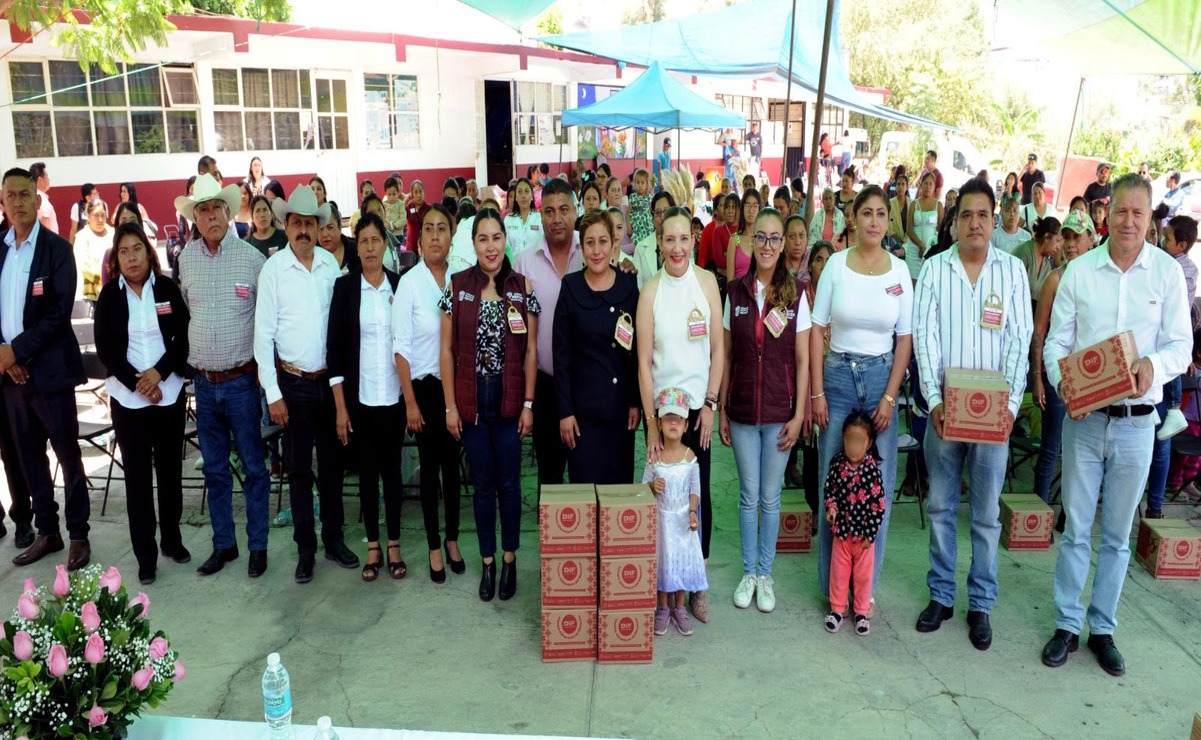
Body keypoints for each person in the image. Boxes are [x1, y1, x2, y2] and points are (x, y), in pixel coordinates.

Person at [1042, 174, 1191, 677]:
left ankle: (1101, 627)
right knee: (1077, 528)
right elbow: (1055, 346)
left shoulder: (1167, 275)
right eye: (1121, 212)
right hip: (1085, 422)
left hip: (1137, 423)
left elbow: (1181, 346)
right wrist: (1065, 388)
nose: (1128, 221)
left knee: (1118, 534)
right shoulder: (1080, 272)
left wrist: (1154, 366)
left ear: (1150, 219)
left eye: (1139, 213)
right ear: (1108, 215)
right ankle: (1066, 624)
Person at [912, 178, 1033, 650]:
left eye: (984, 214)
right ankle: (941, 595)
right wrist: (934, 401)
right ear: (955, 221)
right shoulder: (936, 269)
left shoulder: (1011, 272)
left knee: (985, 516)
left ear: (995, 217)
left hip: (992, 418)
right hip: (944, 414)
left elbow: (1019, 341)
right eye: (967, 215)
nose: (976, 223)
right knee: (941, 507)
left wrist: (1007, 406)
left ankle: (980, 603)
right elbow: (925, 337)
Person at [810, 184, 913, 612]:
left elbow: (904, 339)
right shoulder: (835, 265)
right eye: (866, 213)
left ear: (888, 221)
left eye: (880, 214)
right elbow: (817, 330)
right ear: (853, 219)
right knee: (831, 483)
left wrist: (889, 397)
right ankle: (832, 591)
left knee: (878, 487)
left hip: (879, 379)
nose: (873, 221)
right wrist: (816, 390)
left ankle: (863, 590)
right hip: (835, 376)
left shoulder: (899, 272)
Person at [256, 185, 359, 584]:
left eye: (309, 223)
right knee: (299, 471)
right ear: (287, 225)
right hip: (294, 385)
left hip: (328, 382)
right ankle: (305, 550)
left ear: (319, 228)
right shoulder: (273, 271)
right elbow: (262, 337)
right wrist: (273, 393)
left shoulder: (331, 268)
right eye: (296, 223)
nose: (303, 230)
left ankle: (333, 540)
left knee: (333, 467)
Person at [440, 208, 539, 602]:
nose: (490, 246)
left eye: (496, 237)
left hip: (510, 398)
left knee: (509, 485)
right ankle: (488, 561)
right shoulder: (457, 286)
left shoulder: (522, 287)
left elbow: (531, 350)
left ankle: (510, 557)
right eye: (482, 239)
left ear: (505, 240)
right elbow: (446, 352)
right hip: (472, 401)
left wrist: (529, 402)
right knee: (482, 487)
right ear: (473, 244)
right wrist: (450, 406)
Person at [176, 173, 270, 579]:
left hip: (242, 383)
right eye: (203, 209)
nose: (211, 215)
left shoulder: (253, 260)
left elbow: (266, 325)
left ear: (230, 212)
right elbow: (185, 314)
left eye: (217, 207)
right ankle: (223, 545)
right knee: (213, 469)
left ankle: (258, 545)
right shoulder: (185, 260)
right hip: (204, 383)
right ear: (194, 217)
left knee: (253, 468)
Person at [719, 207, 811, 614]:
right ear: (749, 242)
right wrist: (721, 408)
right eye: (762, 237)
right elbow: (724, 355)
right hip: (741, 410)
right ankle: (748, 573)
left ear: (785, 243)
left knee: (770, 499)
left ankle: (766, 573)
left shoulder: (797, 294)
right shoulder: (735, 293)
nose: (769, 245)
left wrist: (798, 414)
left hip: (778, 410)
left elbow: (804, 360)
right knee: (747, 496)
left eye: (776, 238)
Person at [636, 206, 723, 624]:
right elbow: (643, 361)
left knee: (696, 500)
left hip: (696, 412)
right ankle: (661, 587)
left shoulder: (706, 284)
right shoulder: (649, 291)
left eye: (683, 238)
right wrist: (652, 425)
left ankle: (696, 588)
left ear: (694, 239)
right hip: (662, 415)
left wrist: (709, 405)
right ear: (659, 242)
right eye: (668, 239)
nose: (676, 247)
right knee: (661, 503)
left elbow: (719, 351)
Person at [0, 167, 89, 569]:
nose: (17, 202)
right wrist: (4, 355)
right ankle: (48, 533)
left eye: (24, 194)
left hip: (50, 373)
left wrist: (15, 351)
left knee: (68, 456)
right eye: (10, 196)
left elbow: (57, 315)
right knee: (30, 457)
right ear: (3, 203)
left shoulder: (57, 249)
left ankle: (79, 535)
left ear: (38, 200)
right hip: (12, 379)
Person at [93, 223, 191, 585]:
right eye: (124, 251)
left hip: (168, 393)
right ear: (116, 259)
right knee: (136, 480)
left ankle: (172, 541)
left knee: (169, 472)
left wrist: (159, 374)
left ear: (149, 253)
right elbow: (106, 349)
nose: (132, 257)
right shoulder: (109, 296)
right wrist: (140, 381)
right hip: (128, 400)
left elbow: (183, 337)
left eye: (137, 249)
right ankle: (145, 556)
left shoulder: (166, 289)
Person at [328, 213, 405, 583]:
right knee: (368, 473)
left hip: (393, 397)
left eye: (376, 240)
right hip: (360, 400)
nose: (370, 248)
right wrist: (341, 407)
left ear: (385, 244)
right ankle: (372, 543)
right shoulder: (345, 290)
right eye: (363, 242)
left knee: (392, 474)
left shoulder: (398, 285)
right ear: (355, 248)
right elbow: (336, 352)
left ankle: (394, 543)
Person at [395, 204, 464, 583]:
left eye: (442, 228)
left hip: (455, 389)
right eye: (429, 229)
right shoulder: (409, 284)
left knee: (454, 465)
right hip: (422, 388)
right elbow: (400, 348)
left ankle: (453, 538)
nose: (436, 235)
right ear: (419, 240)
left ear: (451, 237)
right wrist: (409, 402)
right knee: (430, 468)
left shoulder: (460, 279)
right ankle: (434, 546)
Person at [554, 210, 640, 484]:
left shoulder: (628, 285)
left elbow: (638, 352)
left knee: (618, 501)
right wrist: (565, 411)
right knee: (586, 498)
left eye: (603, 241)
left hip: (620, 413)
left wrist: (635, 401)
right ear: (582, 246)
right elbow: (561, 356)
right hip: (582, 416)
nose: (596, 250)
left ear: (614, 242)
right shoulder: (571, 287)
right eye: (589, 243)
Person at [513, 179, 578, 489]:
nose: (557, 218)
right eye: (549, 211)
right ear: (540, 216)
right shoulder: (524, 262)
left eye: (564, 209)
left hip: (585, 382)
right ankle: (554, 535)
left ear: (575, 211)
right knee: (549, 472)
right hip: (544, 383)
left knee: (584, 469)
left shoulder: (592, 251)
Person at [1030, 210, 1095, 505]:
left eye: (1076, 237)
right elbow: (1039, 332)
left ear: (1090, 239)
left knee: (1082, 456)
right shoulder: (1055, 279)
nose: (1070, 243)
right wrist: (1039, 379)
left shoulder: (1100, 278)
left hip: (1092, 377)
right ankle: (1037, 517)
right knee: (1051, 450)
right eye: (1066, 236)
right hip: (1059, 376)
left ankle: (1069, 517)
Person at [646, 387, 708, 637]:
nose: (673, 423)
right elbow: (642, 487)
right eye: (668, 418)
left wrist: (693, 511)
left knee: (680, 562)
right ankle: (663, 607)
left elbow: (696, 488)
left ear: (685, 425)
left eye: (679, 419)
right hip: (662, 520)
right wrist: (652, 486)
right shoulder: (655, 457)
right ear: (659, 423)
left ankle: (679, 607)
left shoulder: (690, 456)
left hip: (682, 520)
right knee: (663, 562)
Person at [823, 411, 886, 636]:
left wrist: (871, 534)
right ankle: (838, 610)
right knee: (839, 573)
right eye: (850, 440)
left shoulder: (872, 471)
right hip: (841, 534)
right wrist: (832, 507)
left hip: (864, 539)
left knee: (862, 576)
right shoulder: (837, 465)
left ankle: (861, 611)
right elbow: (829, 490)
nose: (853, 446)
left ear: (869, 443)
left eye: (859, 441)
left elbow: (879, 506)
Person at [1011, 217, 1063, 309]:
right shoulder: (1022, 253)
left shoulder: (1047, 265)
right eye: (1057, 241)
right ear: (1047, 237)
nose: (1058, 247)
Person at [72, 200, 112, 302]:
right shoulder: (82, 237)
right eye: (96, 215)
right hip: (93, 295)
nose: (100, 219)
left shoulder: (114, 233)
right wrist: (106, 279)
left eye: (103, 215)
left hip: (116, 288)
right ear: (88, 216)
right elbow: (85, 267)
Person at [633, 191, 673, 290]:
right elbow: (638, 287)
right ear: (652, 217)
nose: (662, 217)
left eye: (666, 211)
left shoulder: (682, 246)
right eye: (658, 213)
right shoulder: (641, 247)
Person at [725, 190, 763, 285]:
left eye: (755, 205)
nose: (751, 210)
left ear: (759, 209)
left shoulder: (764, 239)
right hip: (738, 295)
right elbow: (730, 281)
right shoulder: (734, 239)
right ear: (742, 209)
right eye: (747, 205)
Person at [888, 173, 918, 280]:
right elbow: (888, 226)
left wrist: (905, 239)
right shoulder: (890, 203)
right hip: (893, 243)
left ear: (907, 187)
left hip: (909, 244)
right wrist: (898, 239)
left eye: (903, 184)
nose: (900, 187)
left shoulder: (912, 204)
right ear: (895, 187)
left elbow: (914, 225)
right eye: (898, 184)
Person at [503, 178, 540, 257]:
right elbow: (505, 247)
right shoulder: (508, 220)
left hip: (535, 266)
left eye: (526, 191)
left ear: (532, 196)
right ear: (516, 197)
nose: (523, 196)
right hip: (514, 266)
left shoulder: (540, 219)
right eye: (519, 192)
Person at [318, 201, 359, 274]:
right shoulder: (312, 254)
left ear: (340, 227)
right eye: (320, 229)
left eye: (330, 227)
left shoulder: (355, 250)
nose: (325, 234)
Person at [628, 169, 654, 247]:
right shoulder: (632, 197)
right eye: (638, 182)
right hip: (636, 226)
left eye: (643, 183)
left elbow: (652, 212)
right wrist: (629, 226)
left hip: (647, 226)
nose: (640, 185)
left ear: (647, 184)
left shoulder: (649, 197)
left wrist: (653, 225)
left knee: (648, 245)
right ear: (634, 183)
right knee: (637, 245)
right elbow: (628, 212)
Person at [28, 162, 57, 233]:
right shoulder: (41, 200)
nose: (48, 179)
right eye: (46, 176)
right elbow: (45, 225)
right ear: (40, 180)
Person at [404, 180, 429, 251]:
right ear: (411, 194)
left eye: (420, 192)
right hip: (410, 246)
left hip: (424, 247)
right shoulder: (408, 208)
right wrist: (405, 201)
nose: (419, 195)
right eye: (416, 192)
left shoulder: (428, 209)